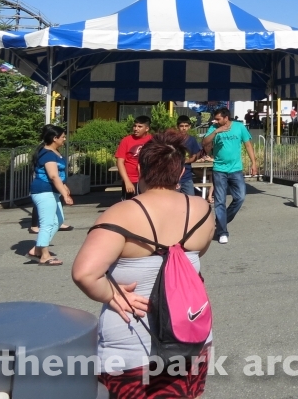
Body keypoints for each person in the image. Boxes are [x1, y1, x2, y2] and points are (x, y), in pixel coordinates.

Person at [71, 132, 215, 398]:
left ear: (139, 169)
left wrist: (111, 293)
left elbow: (85, 273)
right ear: (181, 171)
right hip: (189, 334)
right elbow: (197, 254)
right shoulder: (202, 209)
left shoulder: (121, 213)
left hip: (132, 343)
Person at [202, 106, 258, 245]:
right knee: (220, 201)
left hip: (236, 169)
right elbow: (205, 143)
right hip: (219, 169)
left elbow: (248, 145)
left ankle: (222, 220)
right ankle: (222, 232)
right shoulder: (214, 128)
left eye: (218, 118)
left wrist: (253, 163)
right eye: (215, 118)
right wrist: (216, 131)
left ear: (226, 118)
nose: (215, 120)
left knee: (240, 197)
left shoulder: (239, 127)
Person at [30, 125, 74, 265]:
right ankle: (44, 255)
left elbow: (59, 175)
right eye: (62, 137)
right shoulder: (48, 154)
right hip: (43, 191)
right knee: (47, 223)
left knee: (58, 221)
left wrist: (64, 186)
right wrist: (64, 195)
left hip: (51, 191)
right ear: (54, 138)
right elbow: (54, 176)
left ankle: (37, 249)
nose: (64, 139)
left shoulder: (54, 152)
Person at [115, 116, 152, 199]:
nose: (136, 129)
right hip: (131, 181)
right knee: (129, 208)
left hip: (148, 180)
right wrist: (127, 181)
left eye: (139, 126)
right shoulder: (126, 140)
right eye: (135, 126)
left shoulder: (153, 141)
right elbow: (120, 162)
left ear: (147, 128)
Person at [175, 115, 204, 196]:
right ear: (177, 126)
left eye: (186, 126)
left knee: (190, 199)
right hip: (174, 177)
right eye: (181, 126)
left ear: (189, 127)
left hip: (187, 176)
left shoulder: (192, 140)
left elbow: (194, 157)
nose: (184, 128)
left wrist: (185, 160)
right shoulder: (172, 139)